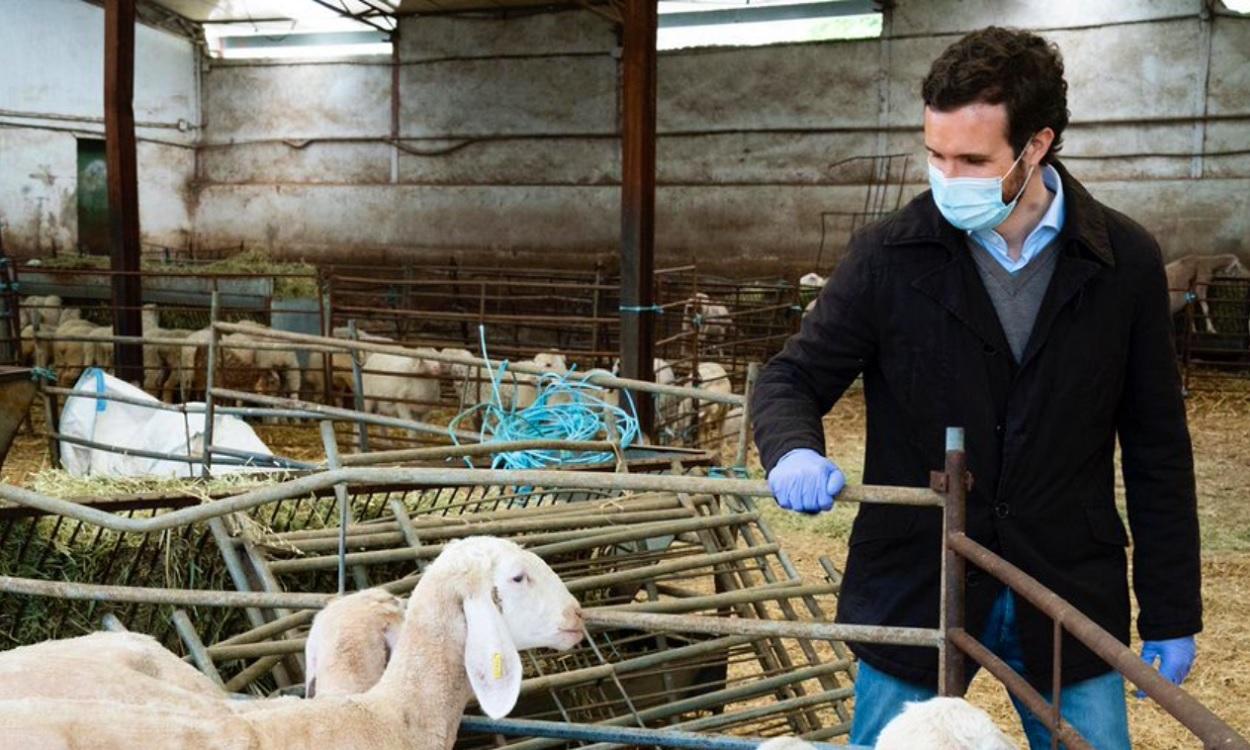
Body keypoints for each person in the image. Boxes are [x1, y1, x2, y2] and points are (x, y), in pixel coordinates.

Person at [752, 26, 1201, 749]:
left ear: (1037, 144)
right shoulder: (889, 256)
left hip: (1064, 585)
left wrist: (1174, 606)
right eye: (935, 154)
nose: (947, 177)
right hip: (916, 578)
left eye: (971, 159)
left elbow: (1156, 446)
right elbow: (791, 377)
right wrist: (789, 450)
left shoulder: (1123, 262)